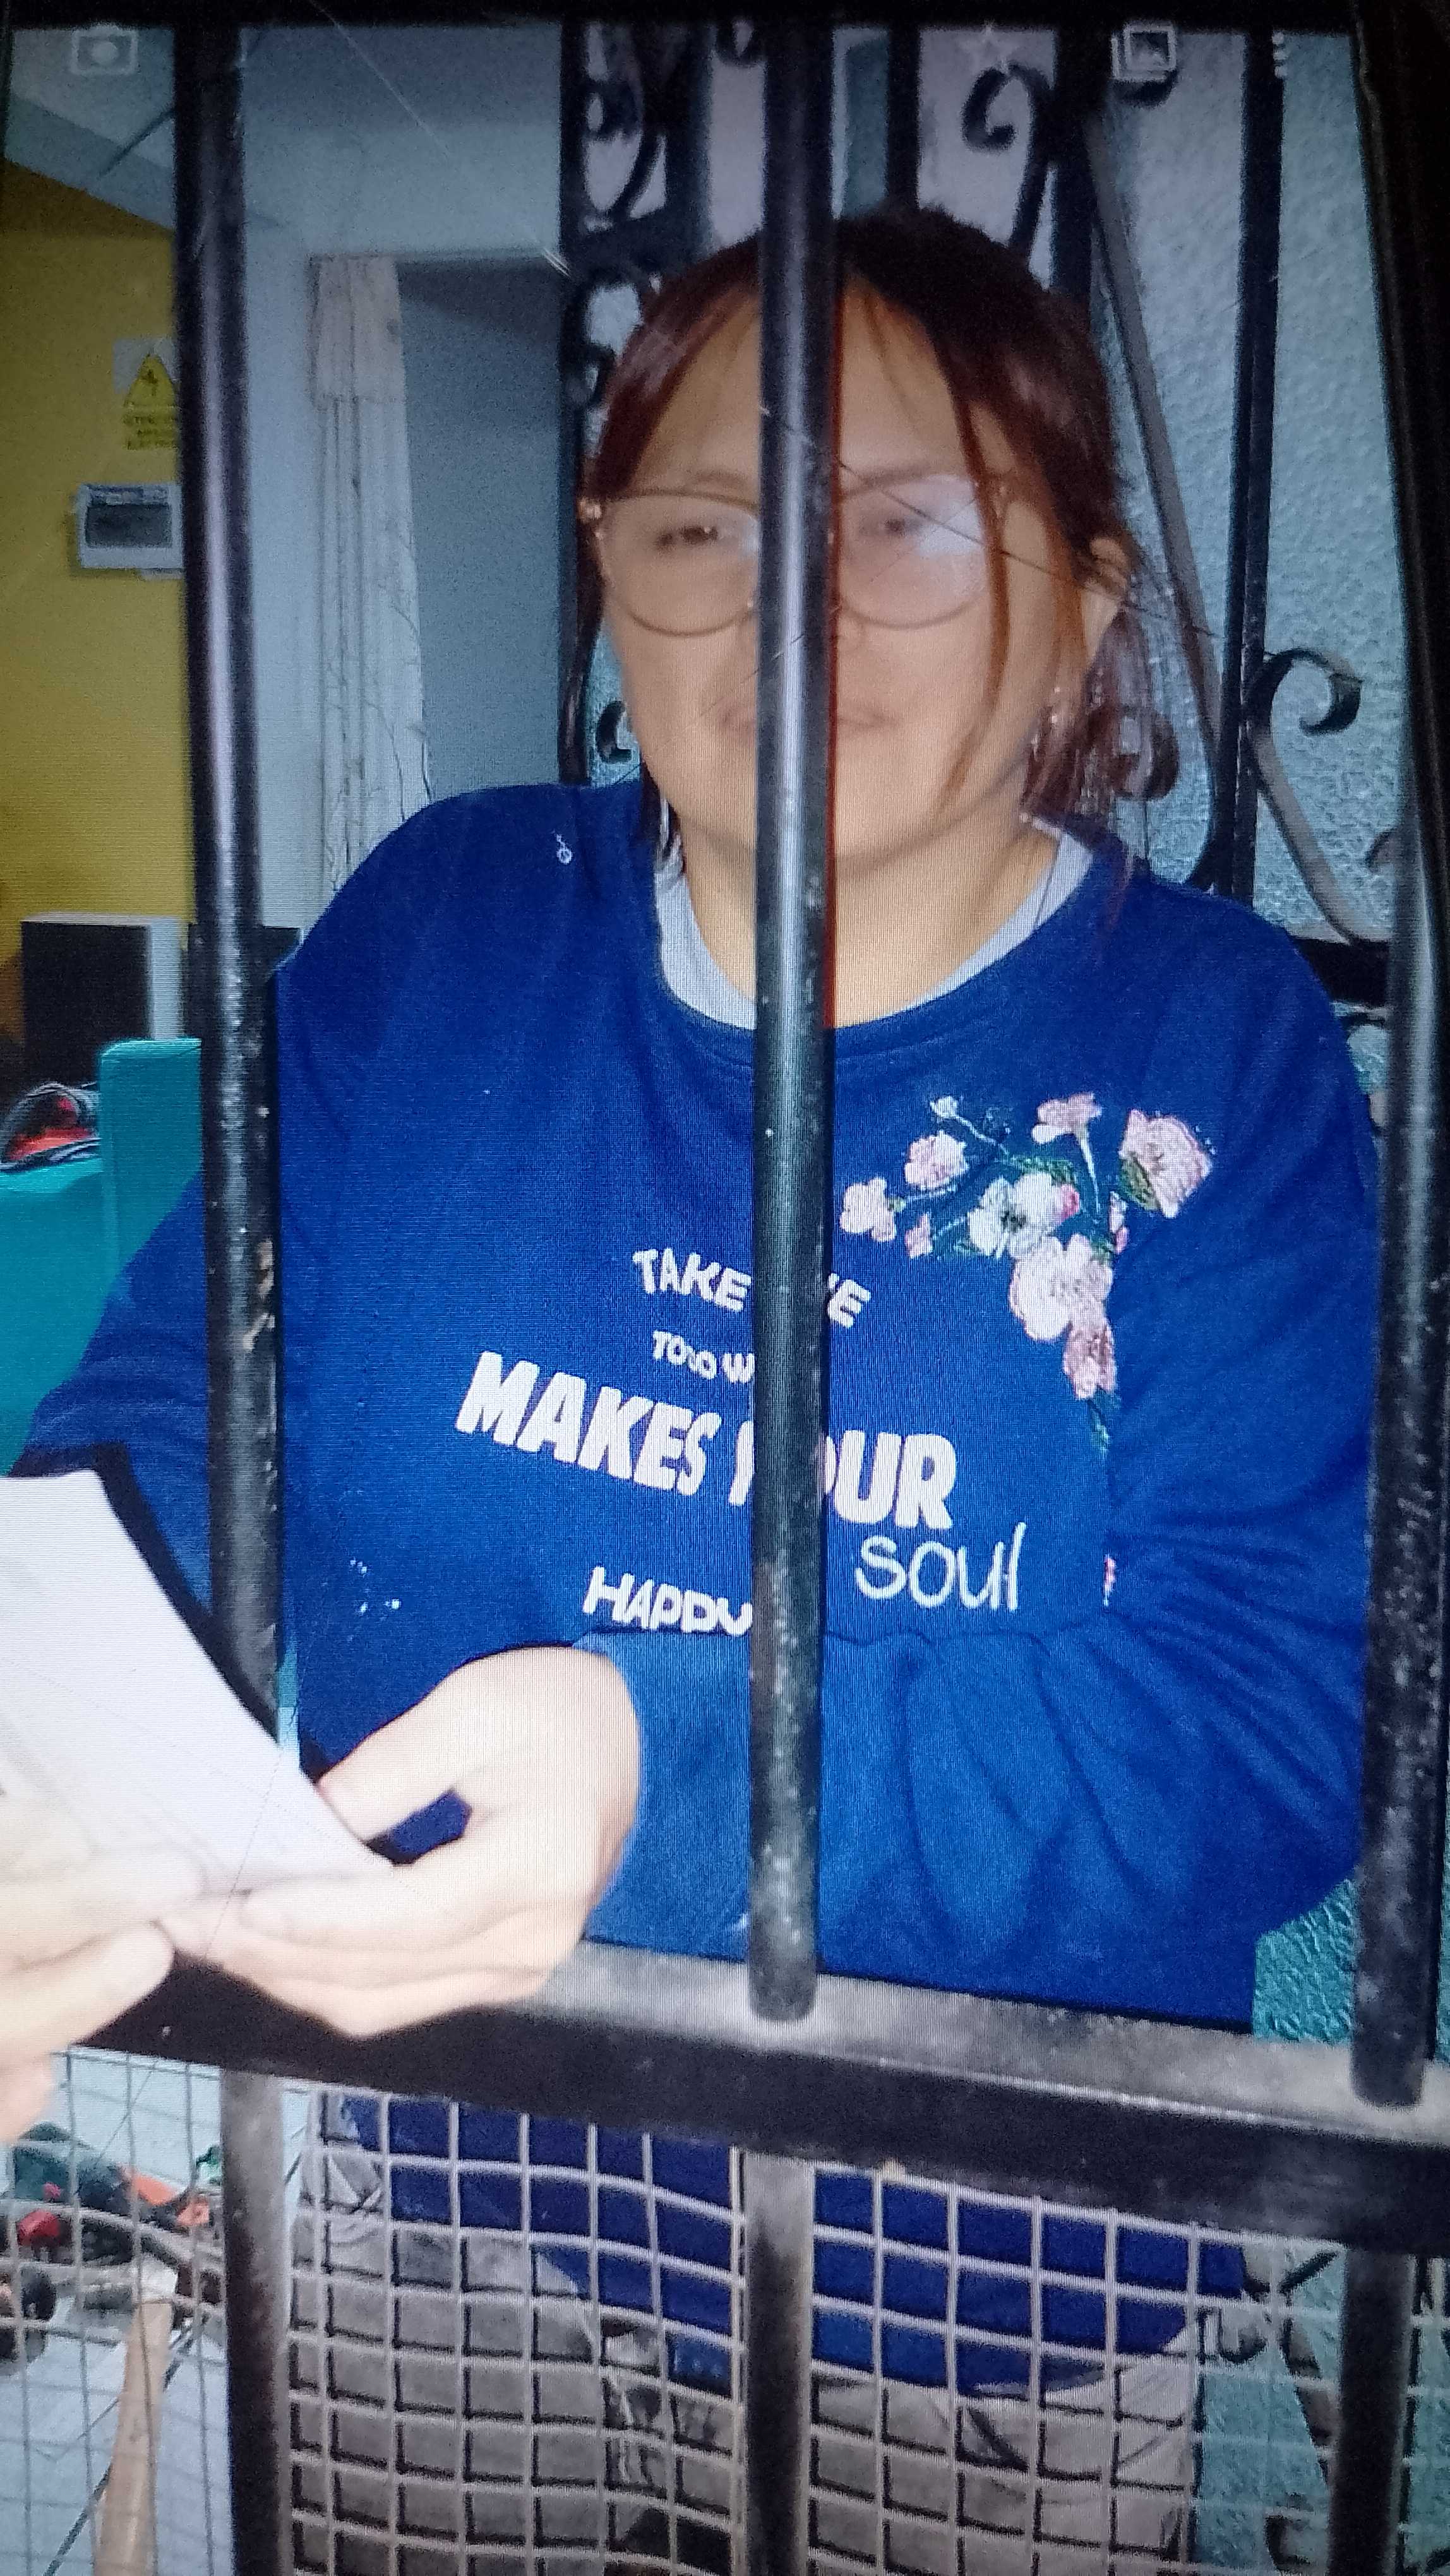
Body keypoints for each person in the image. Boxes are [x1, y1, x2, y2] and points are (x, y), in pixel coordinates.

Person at [1, 209, 1376, 2563]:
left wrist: (685, 1765)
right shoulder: (439, 933)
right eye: (705, 525)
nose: (788, 610)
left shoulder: (1218, 1055)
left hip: (979, 2281)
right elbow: (169, 1417)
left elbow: (1277, 1722)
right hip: (442, 2185)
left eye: (907, 527)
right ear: (609, 570)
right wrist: (54, 1759)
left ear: (1084, 603)